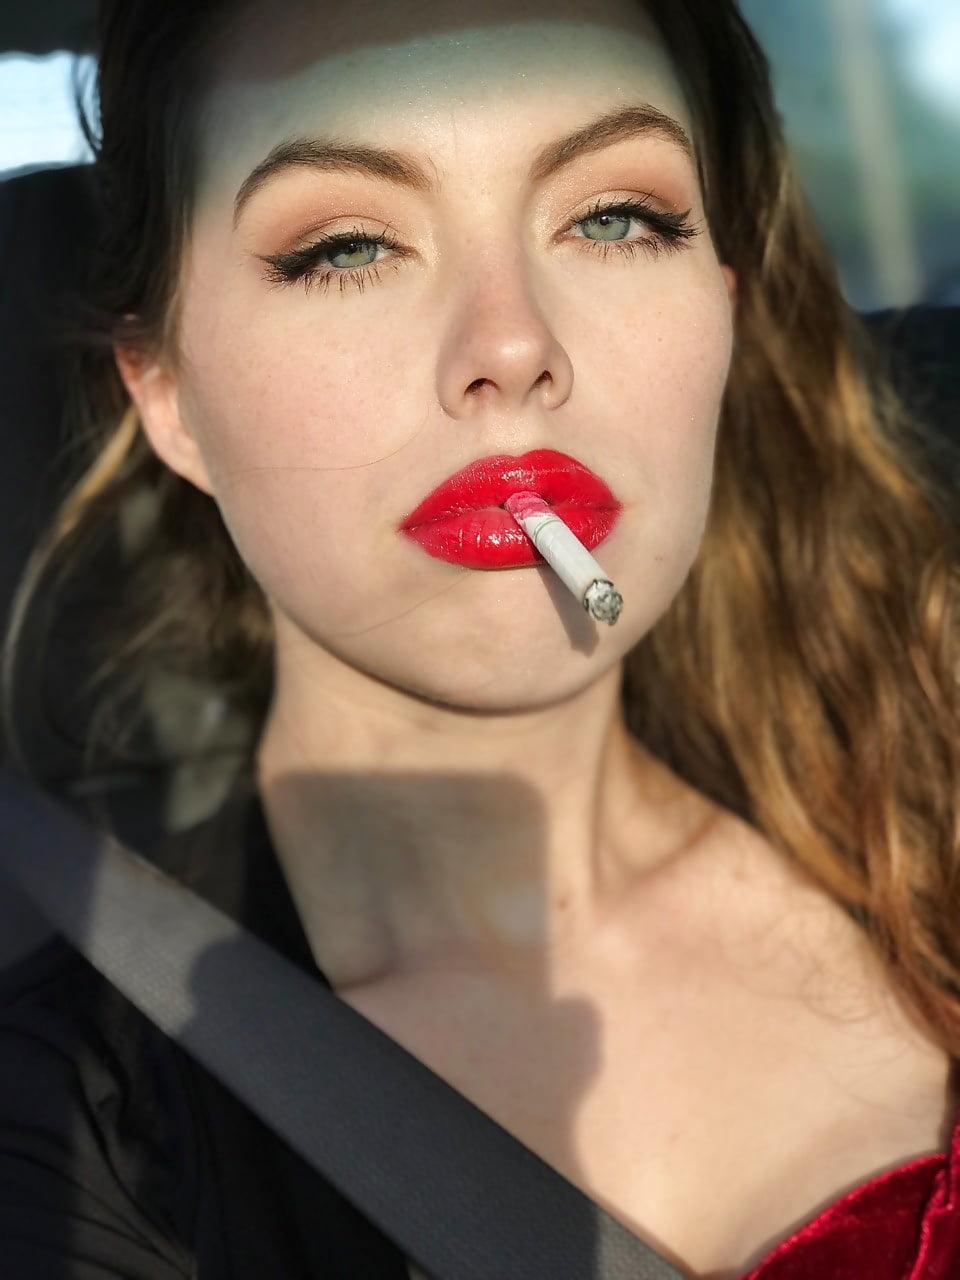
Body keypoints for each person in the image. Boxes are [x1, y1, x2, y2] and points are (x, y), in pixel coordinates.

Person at [1, 0, 959, 1276]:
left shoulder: (929, 791)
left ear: (723, 309)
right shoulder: (81, 1132)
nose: (513, 345)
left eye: (614, 218)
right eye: (346, 246)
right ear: (166, 392)